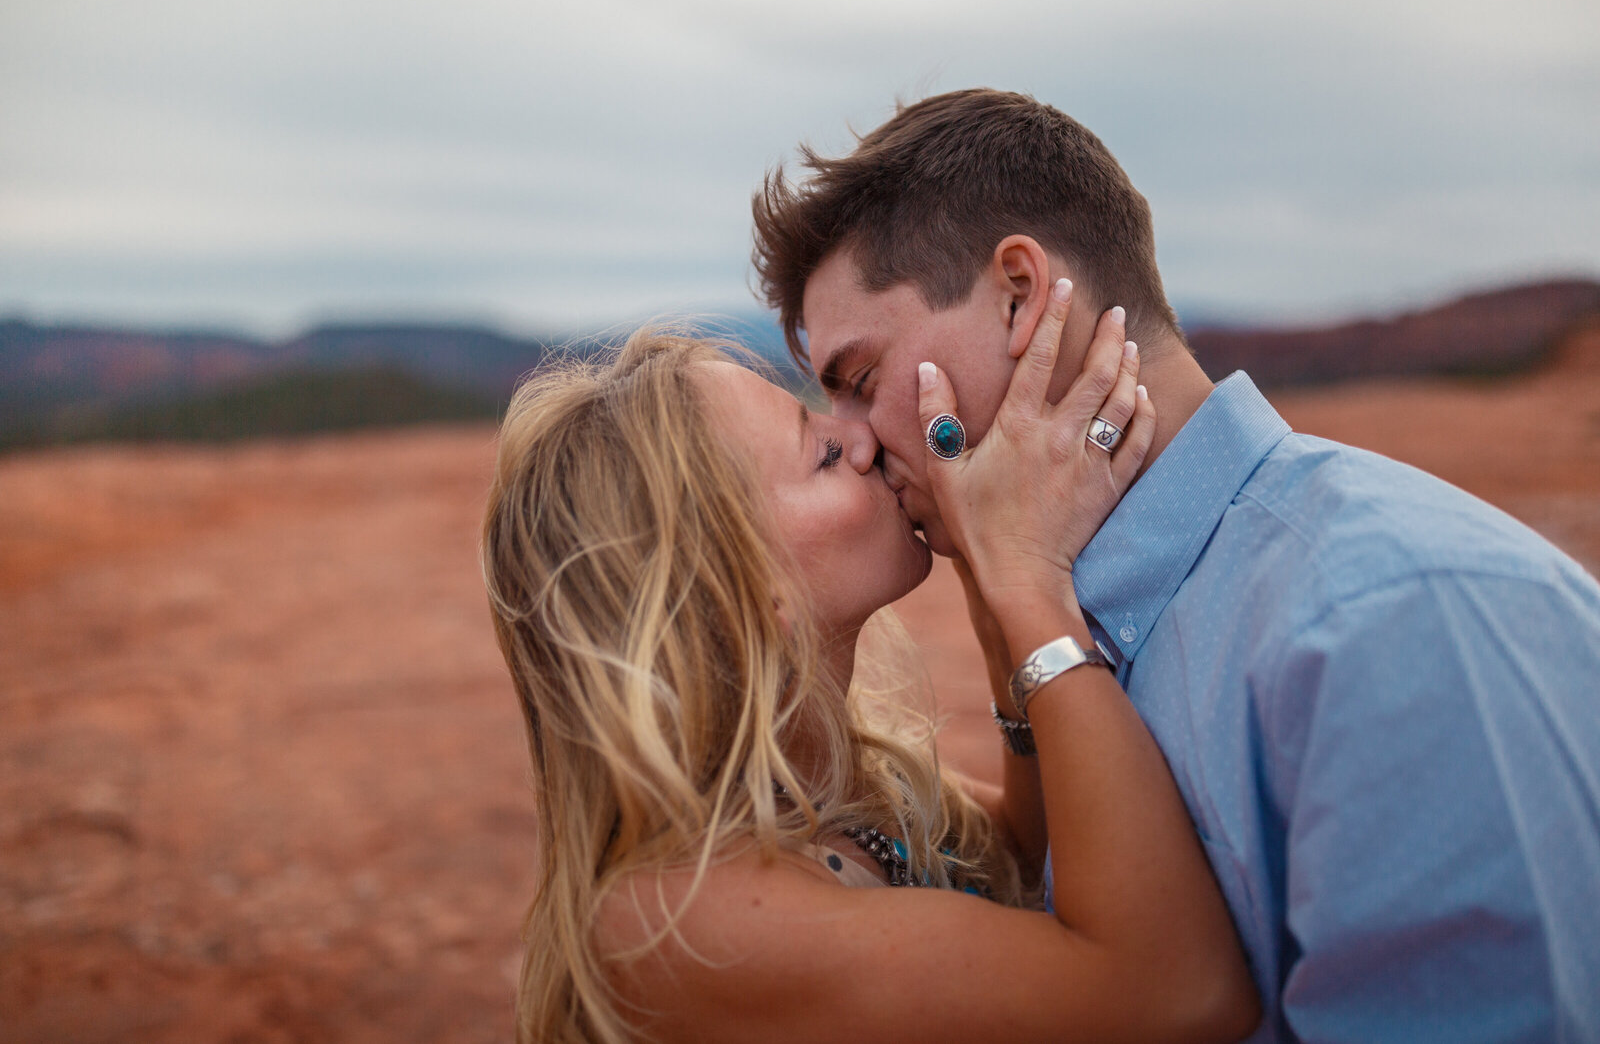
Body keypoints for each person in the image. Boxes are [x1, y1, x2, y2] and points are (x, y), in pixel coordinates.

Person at [752, 87, 1600, 1043]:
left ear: (1020, 298)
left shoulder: (1392, 620)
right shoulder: (1098, 626)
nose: (856, 444)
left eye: (862, 383)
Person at [480, 294, 1261, 1042]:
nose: (864, 440)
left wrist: (990, 589)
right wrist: (1029, 579)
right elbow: (1180, 990)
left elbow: (1022, 861)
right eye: (823, 451)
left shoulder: (828, 789)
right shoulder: (678, 919)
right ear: (743, 594)